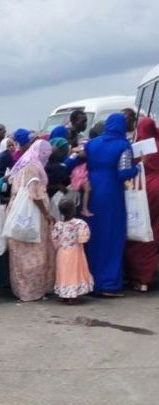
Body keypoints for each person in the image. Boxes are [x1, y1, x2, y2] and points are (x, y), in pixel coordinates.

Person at [75, 113, 139, 296]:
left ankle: (90, 281)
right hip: (111, 192)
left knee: (93, 236)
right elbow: (124, 173)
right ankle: (108, 284)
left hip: (92, 191)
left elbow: (77, 159)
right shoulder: (123, 145)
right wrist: (138, 167)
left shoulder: (92, 143)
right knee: (112, 237)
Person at [6, 140, 56, 302]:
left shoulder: (22, 165)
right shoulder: (33, 168)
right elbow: (34, 194)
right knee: (35, 251)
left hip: (17, 211)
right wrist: (46, 214)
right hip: (33, 214)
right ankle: (33, 290)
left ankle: (22, 289)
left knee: (20, 253)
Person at [125, 117, 159, 292]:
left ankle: (141, 278)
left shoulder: (137, 147)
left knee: (141, 232)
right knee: (155, 233)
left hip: (144, 189)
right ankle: (151, 274)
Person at [52, 197, 94, 303]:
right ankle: (72, 296)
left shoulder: (58, 225)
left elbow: (54, 240)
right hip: (75, 253)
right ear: (73, 210)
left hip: (61, 253)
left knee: (63, 273)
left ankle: (64, 295)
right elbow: (83, 239)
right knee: (74, 273)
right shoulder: (79, 223)